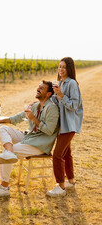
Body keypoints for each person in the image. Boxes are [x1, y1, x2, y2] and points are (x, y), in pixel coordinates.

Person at [0, 81, 59, 197]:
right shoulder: (35, 106)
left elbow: (49, 131)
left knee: (6, 154)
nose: (38, 89)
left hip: (39, 144)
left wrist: (34, 119)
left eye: (42, 88)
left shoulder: (52, 109)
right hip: (29, 137)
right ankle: (9, 153)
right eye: (38, 87)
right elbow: (18, 117)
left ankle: (4, 188)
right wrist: (0, 121)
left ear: (49, 93)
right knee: (3, 129)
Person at [46, 57, 83, 197]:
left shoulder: (72, 84)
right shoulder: (60, 83)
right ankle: (71, 181)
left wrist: (61, 95)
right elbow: (56, 102)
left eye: (64, 67)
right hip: (62, 125)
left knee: (57, 155)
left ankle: (60, 186)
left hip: (69, 125)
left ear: (69, 69)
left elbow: (74, 105)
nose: (61, 69)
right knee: (67, 154)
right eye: (59, 66)